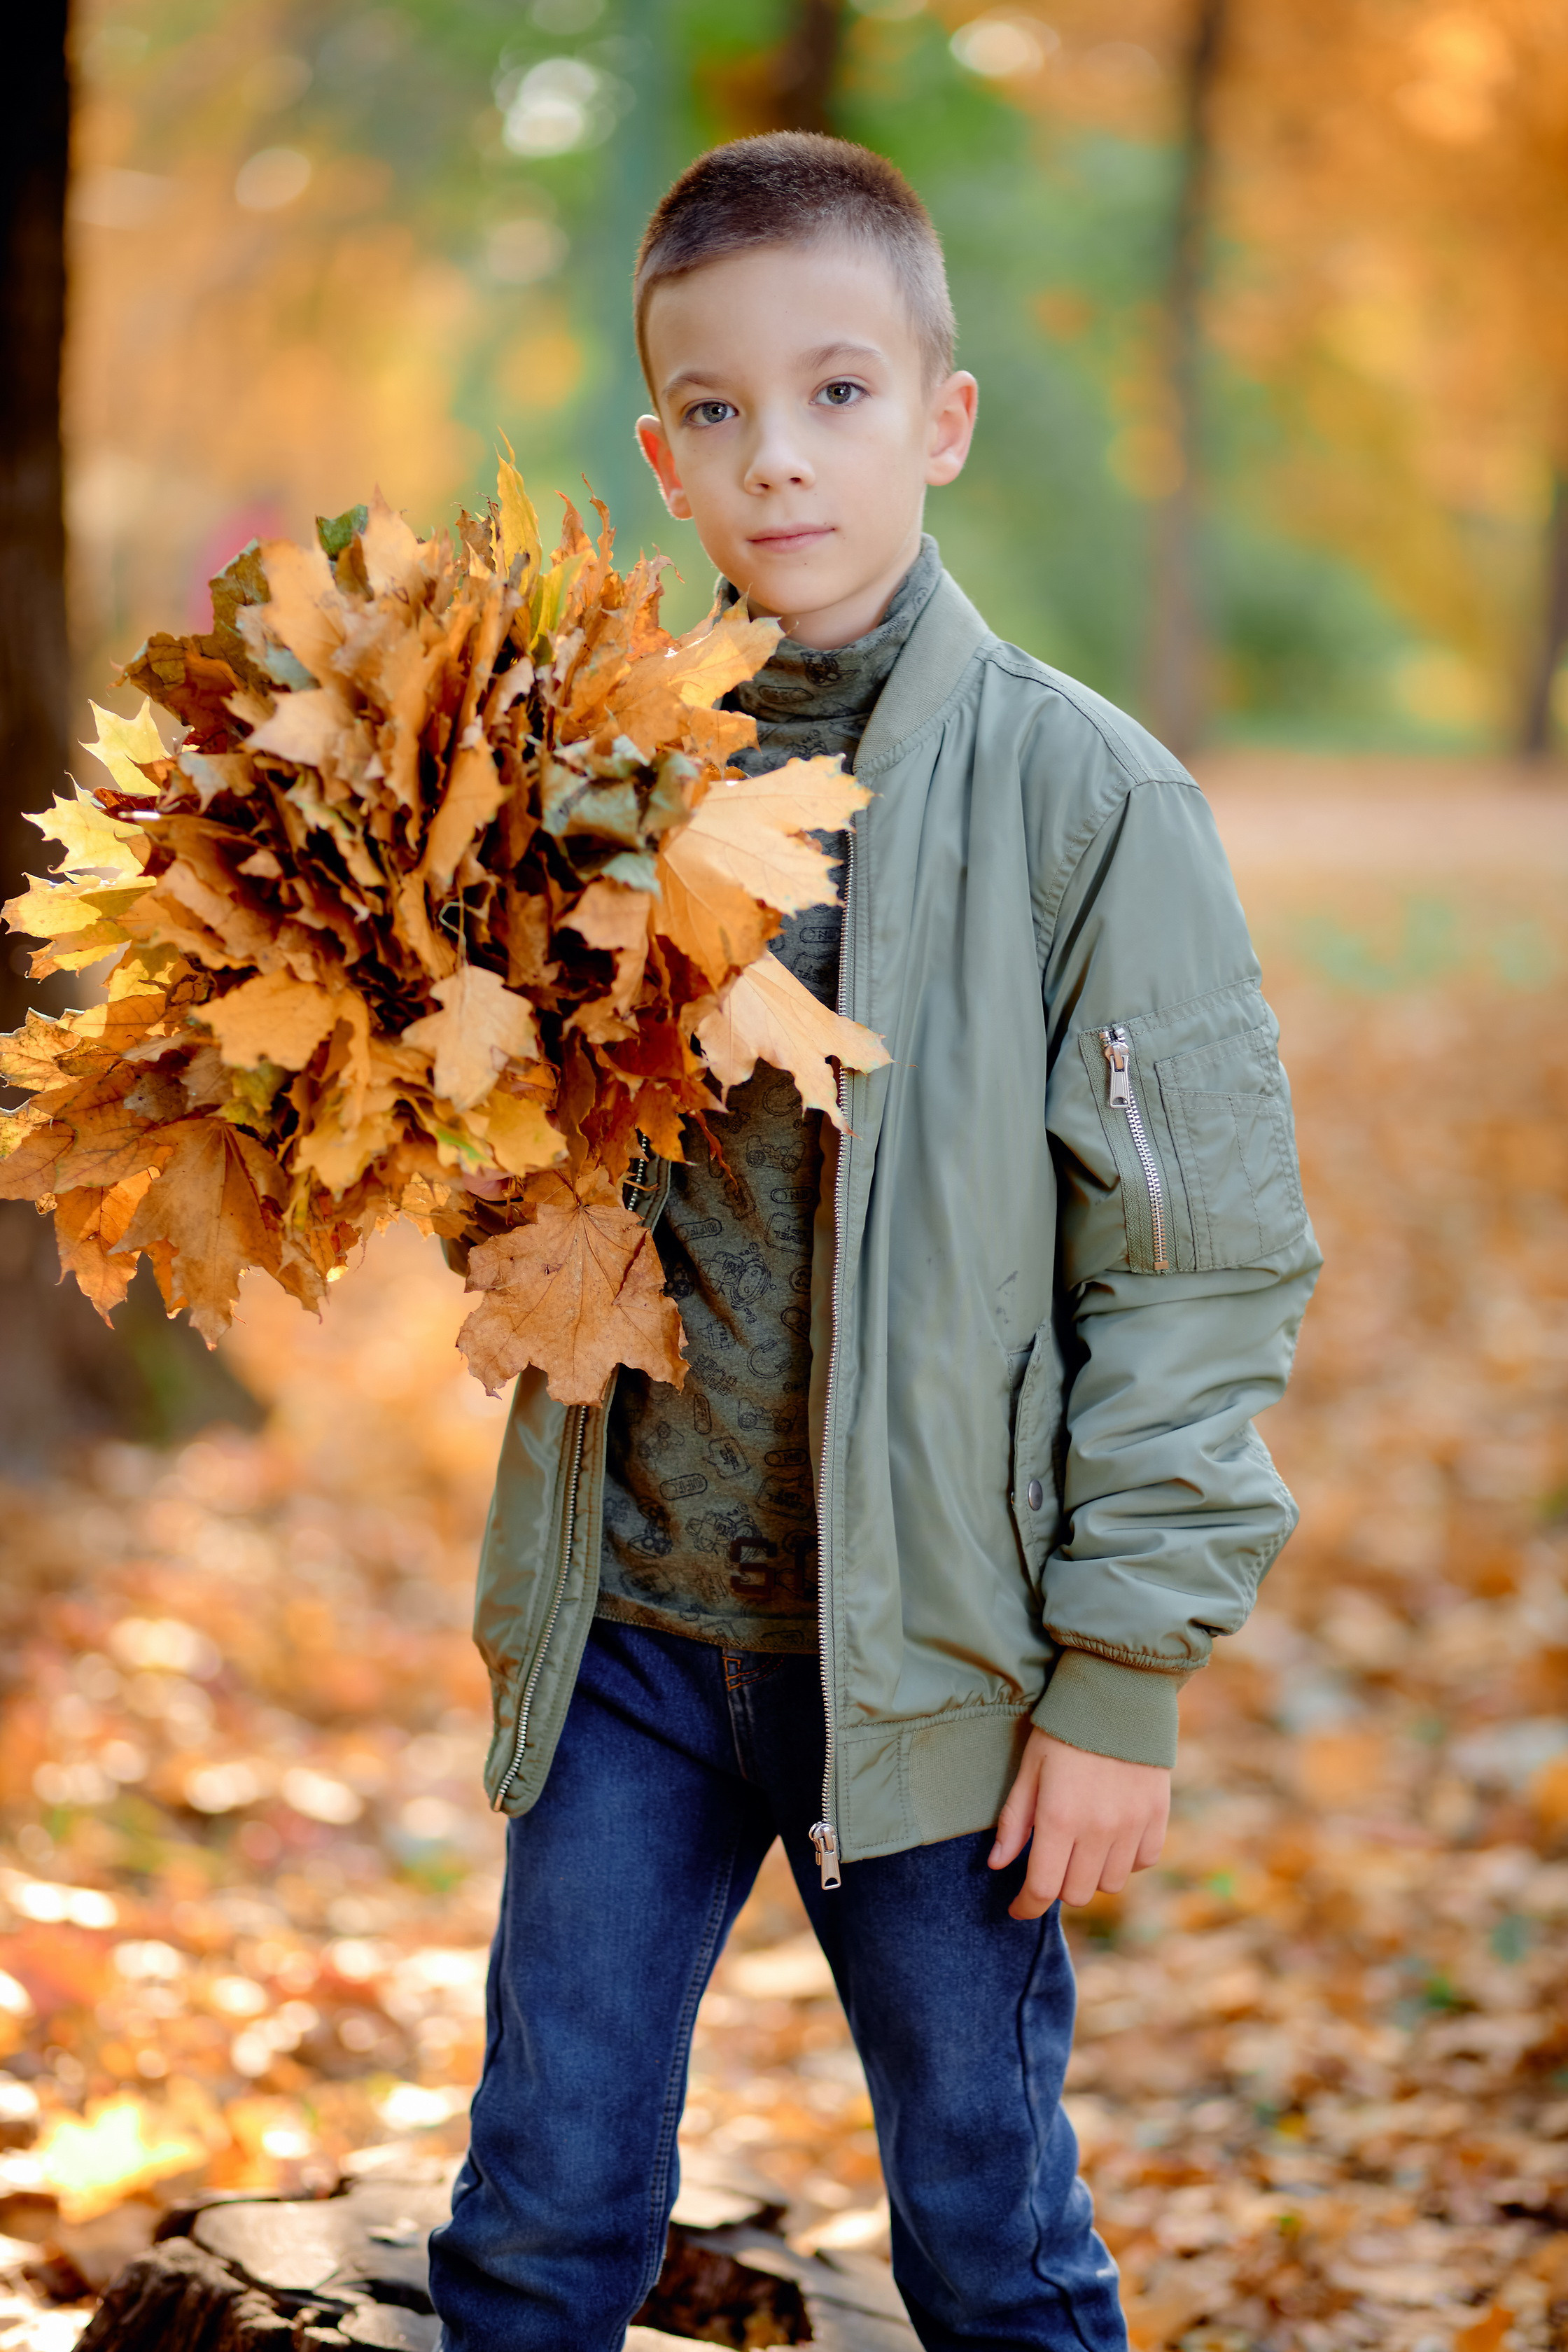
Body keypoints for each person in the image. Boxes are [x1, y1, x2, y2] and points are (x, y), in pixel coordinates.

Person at [428, 132, 1320, 2352]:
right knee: (539, 2214)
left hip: (935, 1669)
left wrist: (1121, 1677)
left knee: (991, 2240)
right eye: (714, 412)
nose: (776, 461)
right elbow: (513, 1179)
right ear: (658, 452)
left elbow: (1198, 1262)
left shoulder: (1082, 800)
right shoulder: (576, 775)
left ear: (943, 415)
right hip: (631, 1633)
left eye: (837, 394)